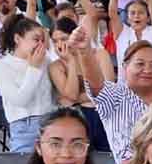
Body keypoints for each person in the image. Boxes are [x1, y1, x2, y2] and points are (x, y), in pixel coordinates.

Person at [69, 15, 152, 164]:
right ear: (125, 66)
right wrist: (85, 52)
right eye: (140, 64)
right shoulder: (115, 96)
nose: (148, 70)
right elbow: (95, 82)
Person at [0, 15, 57, 153]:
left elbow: (56, 93)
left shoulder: (46, 60)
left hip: (51, 120)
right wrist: (34, 68)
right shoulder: (0, 66)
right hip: (24, 126)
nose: (40, 45)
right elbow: (20, 100)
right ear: (17, 39)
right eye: (36, 39)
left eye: (43, 40)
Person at [47, 18, 112, 154]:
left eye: (64, 39)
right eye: (55, 41)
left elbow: (108, 89)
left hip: (104, 113)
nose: (60, 45)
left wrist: (76, 99)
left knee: (108, 156)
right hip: (78, 117)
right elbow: (72, 94)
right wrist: (71, 61)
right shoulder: (56, 66)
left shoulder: (99, 55)